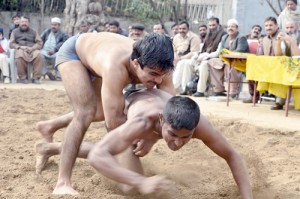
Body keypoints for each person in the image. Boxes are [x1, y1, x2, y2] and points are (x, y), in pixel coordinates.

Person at [35, 90, 253, 198]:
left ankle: (51, 143)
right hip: (123, 114)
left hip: (152, 105)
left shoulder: (200, 126)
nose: (178, 144)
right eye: (173, 135)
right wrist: (141, 181)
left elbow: (232, 155)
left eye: (186, 137)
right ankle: (50, 148)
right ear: (161, 120)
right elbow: (98, 157)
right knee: (130, 187)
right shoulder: (140, 123)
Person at [36, 32, 175, 195]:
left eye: (162, 75)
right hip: (74, 53)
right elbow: (114, 124)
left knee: (100, 112)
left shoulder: (161, 67)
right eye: (153, 74)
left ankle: (49, 133)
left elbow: (170, 115)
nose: (158, 81)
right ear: (136, 64)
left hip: (100, 53)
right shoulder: (115, 66)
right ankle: (62, 182)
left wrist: (150, 138)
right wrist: (137, 137)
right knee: (85, 113)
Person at [179, 17, 226, 96]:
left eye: (213, 25)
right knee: (188, 64)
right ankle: (185, 89)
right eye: (210, 25)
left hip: (215, 59)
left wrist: (206, 56)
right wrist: (198, 55)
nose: (211, 27)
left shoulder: (223, 35)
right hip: (204, 56)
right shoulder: (208, 34)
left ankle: (200, 91)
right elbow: (203, 49)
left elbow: (219, 52)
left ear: (218, 24)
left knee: (204, 64)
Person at [208, 19, 249, 98]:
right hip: (226, 59)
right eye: (228, 27)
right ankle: (218, 89)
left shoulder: (241, 37)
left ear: (237, 28)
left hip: (239, 61)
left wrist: (227, 55)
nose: (230, 28)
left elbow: (239, 51)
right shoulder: (225, 37)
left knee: (229, 64)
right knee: (212, 62)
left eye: (232, 27)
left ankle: (233, 91)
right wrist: (225, 56)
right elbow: (221, 51)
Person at [9, 16, 43, 84]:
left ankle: (36, 78)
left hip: (32, 49)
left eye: (26, 22)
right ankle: (23, 77)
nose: (24, 23)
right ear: (19, 23)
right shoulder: (14, 32)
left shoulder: (34, 31)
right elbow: (11, 44)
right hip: (20, 49)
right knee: (19, 55)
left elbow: (39, 43)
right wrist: (19, 47)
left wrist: (33, 48)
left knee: (39, 55)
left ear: (29, 23)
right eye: (22, 22)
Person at [172, 21, 200, 93]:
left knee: (181, 63)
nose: (181, 30)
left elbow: (194, 52)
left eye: (184, 29)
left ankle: (179, 87)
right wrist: (175, 57)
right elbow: (174, 50)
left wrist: (180, 59)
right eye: (180, 29)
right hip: (177, 58)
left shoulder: (194, 37)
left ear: (188, 29)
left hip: (190, 59)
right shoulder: (176, 37)